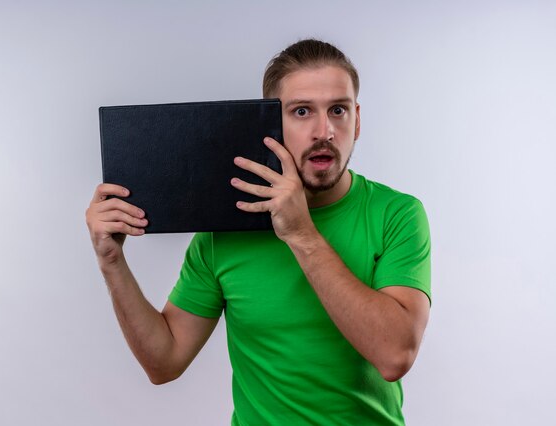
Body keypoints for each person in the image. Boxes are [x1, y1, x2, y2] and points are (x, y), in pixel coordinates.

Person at [86, 39, 431, 425]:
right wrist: (112, 263)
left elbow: (395, 355)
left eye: (338, 110)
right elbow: (164, 362)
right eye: (301, 111)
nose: (325, 130)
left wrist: (301, 234)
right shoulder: (227, 230)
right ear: (271, 123)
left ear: (358, 120)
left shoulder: (397, 215)